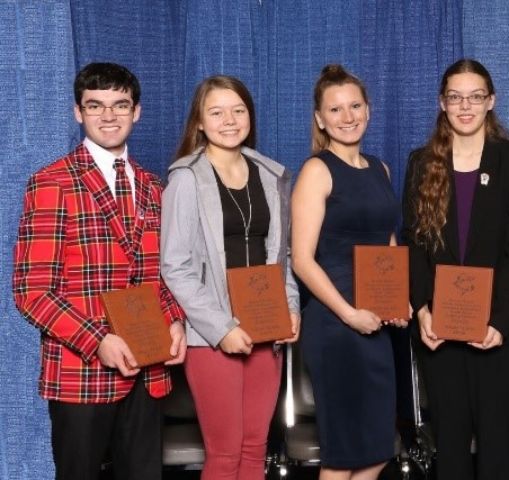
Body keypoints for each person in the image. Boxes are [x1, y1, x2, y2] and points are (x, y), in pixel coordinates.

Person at [12, 62, 187, 480]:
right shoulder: (52, 182)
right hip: (80, 372)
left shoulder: (152, 186)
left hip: (148, 369)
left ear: (137, 111)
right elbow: (32, 292)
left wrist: (176, 321)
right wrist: (98, 340)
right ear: (78, 112)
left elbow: (156, 275)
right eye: (96, 106)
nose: (109, 116)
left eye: (120, 105)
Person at [160, 75, 300, 479]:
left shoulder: (272, 176)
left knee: (255, 450)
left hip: (266, 324)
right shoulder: (185, 179)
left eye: (238, 110)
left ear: (250, 117)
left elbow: (282, 255)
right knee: (224, 453)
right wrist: (221, 328)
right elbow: (176, 266)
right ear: (199, 122)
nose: (229, 120)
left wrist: (291, 308)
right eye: (216, 112)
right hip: (212, 334)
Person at [401, 58, 509, 479]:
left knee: (497, 444)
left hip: (499, 329)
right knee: (451, 444)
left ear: (490, 101)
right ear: (442, 103)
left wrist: (498, 320)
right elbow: (413, 244)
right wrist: (422, 309)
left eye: (475, 97)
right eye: (455, 97)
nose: (465, 106)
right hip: (439, 329)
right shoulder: (422, 162)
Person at [291, 64, 407, 480]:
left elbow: (387, 240)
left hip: (376, 321)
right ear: (320, 119)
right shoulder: (316, 171)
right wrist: (348, 313)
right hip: (336, 324)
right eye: (335, 109)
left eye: (355, 105)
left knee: (376, 450)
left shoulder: (381, 170)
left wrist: (398, 299)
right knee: (342, 456)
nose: (347, 116)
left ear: (368, 109)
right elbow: (302, 260)